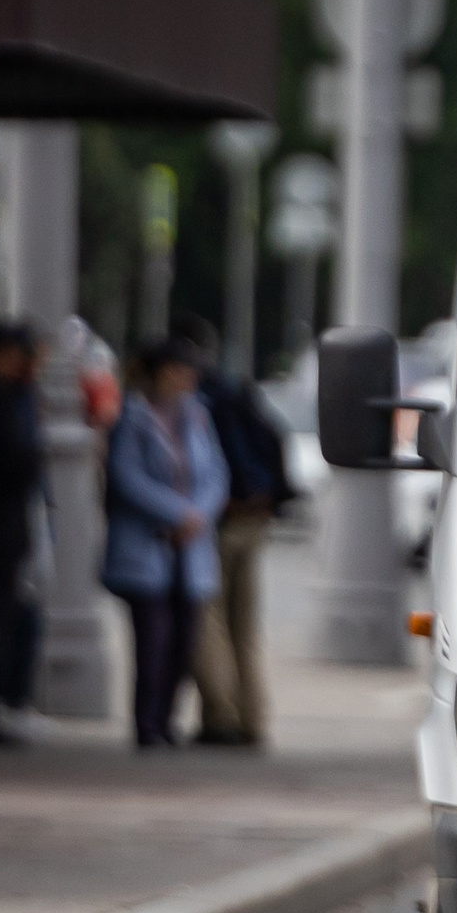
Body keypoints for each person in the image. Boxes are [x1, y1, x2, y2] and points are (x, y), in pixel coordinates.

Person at [174, 316, 298, 747]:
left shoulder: (197, 399)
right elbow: (275, 437)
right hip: (255, 517)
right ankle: (254, 717)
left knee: (209, 621)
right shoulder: (237, 388)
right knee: (245, 626)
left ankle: (221, 718)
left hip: (221, 520)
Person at [103, 338, 228, 748]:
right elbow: (126, 477)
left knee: (183, 642)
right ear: (158, 373)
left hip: (189, 548)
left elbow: (214, 475)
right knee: (152, 642)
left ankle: (168, 719)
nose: (185, 379)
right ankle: (147, 723)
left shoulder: (198, 416)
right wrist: (176, 512)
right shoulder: (132, 416)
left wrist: (197, 515)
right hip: (148, 545)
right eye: (177, 370)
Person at [0, 324, 42, 746]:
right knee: (3, 620)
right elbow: (16, 461)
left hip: (6, 532)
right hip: (1, 533)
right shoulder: (2, 397)